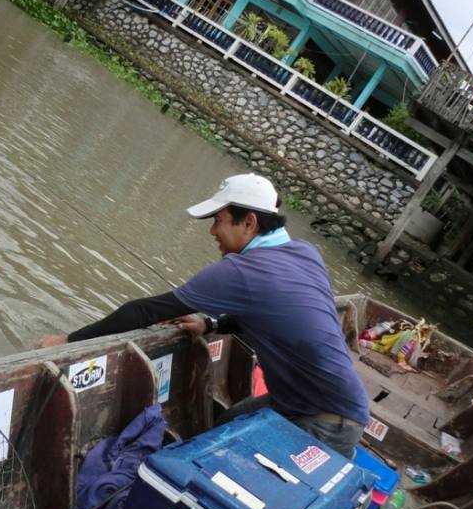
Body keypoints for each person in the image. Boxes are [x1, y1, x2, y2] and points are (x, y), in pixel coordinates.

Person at [41, 173, 369, 459]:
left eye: (218, 220)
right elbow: (268, 316)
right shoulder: (304, 252)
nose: (212, 231)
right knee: (225, 425)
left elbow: (146, 311)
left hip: (326, 422)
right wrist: (210, 323)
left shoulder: (241, 270)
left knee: (216, 460)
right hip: (312, 402)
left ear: (249, 223)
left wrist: (68, 341)